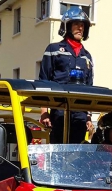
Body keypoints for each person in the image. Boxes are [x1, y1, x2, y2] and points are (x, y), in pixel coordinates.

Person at [39, 7, 93, 144]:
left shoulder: (87, 56)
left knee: (78, 151)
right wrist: (44, 111)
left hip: (80, 112)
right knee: (58, 149)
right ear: (67, 26)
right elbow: (44, 80)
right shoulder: (53, 50)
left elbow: (90, 86)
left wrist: (88, 116)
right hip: (59, 109)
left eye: (82, 25)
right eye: (76, 24)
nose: (80, 28)